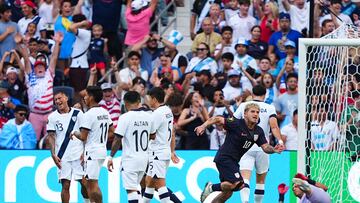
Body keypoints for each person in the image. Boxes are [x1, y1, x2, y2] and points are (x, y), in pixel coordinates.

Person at [195, 103, 284, 202]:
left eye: (257, 112)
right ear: (245, 113)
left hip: (234, 161)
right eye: (252, 112)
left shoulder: (258, 131)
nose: (255, 114)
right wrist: (203, 126)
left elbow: (265, 147)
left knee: (228, 192)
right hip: (224, 158)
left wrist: (274, 150)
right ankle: (211, 187)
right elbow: (218, 119)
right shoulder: (236, 123)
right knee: (238, 183)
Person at [233, 85, 284, 203]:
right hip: (264, 146)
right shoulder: (270, 107)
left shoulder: (244, 106)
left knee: (245, 178)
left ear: (252, 93)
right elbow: (274, 126)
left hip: (245, 146)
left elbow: (233, 123)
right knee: (260, 181)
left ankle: (245, 201)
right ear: (265, 94)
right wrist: (280, 141)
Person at [107, 91, 154, 203]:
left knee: (131, 191)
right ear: (139, 101)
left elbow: (117, 139)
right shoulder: (149, 116)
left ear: (125, 103)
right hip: (144, 159)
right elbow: (153, 135)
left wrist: (110, 157)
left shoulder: (125, 117)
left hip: (130, 159)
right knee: (137, 189)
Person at [71, 86, 114, 203]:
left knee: (92, 184)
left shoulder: (89, 114)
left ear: (91, 97)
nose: (84, 98)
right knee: (86, 181)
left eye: (86, 95)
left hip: (93, 151)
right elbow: (112, 131)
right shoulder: (105, 112)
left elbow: (83, 137)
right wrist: (99, 137)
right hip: (101, 149)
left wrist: (74, 133)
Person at [16, 31, 63, 141]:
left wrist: (57, 43)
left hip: (49, 115)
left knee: (51, 142)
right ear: (34, 68)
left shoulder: (49, 74)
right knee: (33, 141)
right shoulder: (29, 75)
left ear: (45, 68)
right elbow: (26, 59)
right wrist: (21, 44)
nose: (40, 68)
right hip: (34, 115)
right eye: (37, 66)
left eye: (42, 66)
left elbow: (54, 58)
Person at [47, 91, 89, 203]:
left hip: (78, 153)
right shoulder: (52, 117)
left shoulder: (78, 113)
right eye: (55, 100)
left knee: (84, 182)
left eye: (59, 98)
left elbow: (85, 133)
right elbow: (51, 136)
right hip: (63, 156)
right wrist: (53, 154)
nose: (57, 101)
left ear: (66, 98)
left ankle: (87, 201)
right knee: (65, 185)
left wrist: (85, 152)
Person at [143, 87, 180, 203]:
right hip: (164, 151)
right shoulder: (167, 111)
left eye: (149, 98)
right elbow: (172, 131)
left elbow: (151, 134)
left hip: (157, 152)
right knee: (149, 182)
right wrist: (172, 151)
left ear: (154, 99)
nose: (148, 101)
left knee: (160, 184)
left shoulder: (157, 114)